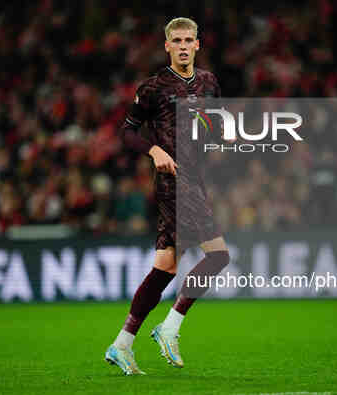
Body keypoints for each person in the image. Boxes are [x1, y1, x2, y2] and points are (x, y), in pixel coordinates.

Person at [105, 17, 230, 375]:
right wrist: (153, 150)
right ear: (167, 46)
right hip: (174, 180)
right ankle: (170, 327)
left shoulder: (209, 82)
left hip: (197, 179)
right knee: (218, 256)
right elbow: (127, 132)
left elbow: (215, 126)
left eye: (189, 40)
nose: (183, 46)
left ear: (198, 45)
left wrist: (225, 137)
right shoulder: (153, 87)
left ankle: (121, 344)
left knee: (165, 267)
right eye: (177, 40)